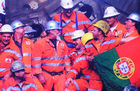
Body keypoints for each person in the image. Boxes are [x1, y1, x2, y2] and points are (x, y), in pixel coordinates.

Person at [32, 20, 71, 91]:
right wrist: (40, 75)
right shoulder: (40, 43)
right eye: (56, 30)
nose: (58, 31)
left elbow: (66, 60)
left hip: (60, 76)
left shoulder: (62, 43)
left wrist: (68, 73)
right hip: (46, 75)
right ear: (50, 31)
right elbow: (36, 62)